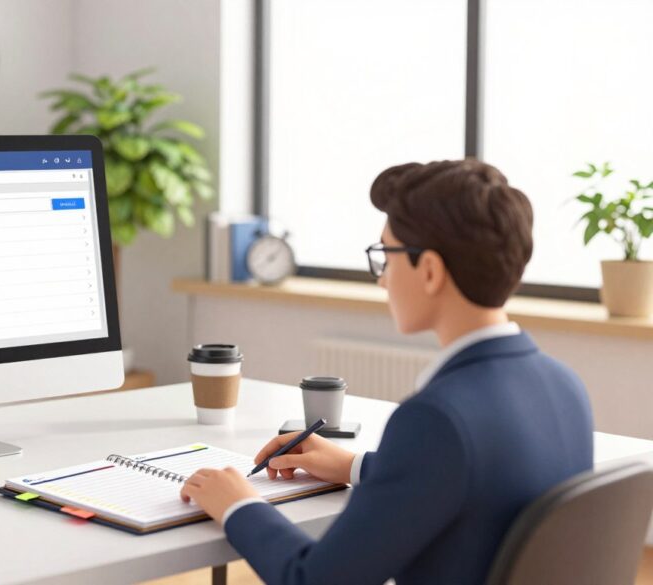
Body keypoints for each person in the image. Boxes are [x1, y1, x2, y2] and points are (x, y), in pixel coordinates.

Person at [179, 160, 594, 585]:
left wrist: (239, 505)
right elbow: (473, 482)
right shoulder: (565, 386)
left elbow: (313, 580)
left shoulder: (436, 418)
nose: (382, 281)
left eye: (386, 257)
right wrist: (354, 466)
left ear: (429, 271)